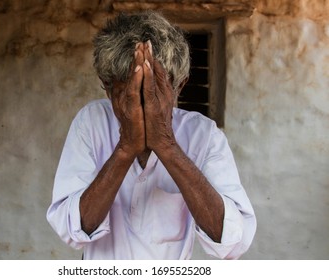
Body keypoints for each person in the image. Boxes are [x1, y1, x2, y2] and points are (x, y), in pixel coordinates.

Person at [47, 11, 256, 260]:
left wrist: (166, 146)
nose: (141, 109)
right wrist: (125, 149)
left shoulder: (204, 136)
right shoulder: (91, 123)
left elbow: (234, 241)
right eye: (128, 96)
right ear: (107, 86)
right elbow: (70, 229)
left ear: (180, 85)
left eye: (152, 97)